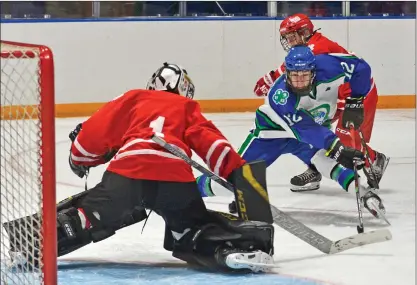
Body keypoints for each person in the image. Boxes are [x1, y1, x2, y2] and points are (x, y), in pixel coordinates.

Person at [4, 63, 274, 273]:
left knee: (91, 214)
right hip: (175, 179)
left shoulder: (135, 98)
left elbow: (94, 134)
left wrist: (80, 158)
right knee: (191, 227)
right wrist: (240, 176)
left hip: (129, 174)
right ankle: (227, 250)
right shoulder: (187, 107)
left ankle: (31, 242)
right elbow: (215, 147)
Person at [197, 46, 387, 221]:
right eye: (294, 75)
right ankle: (190, 189)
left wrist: (356, 99)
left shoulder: (329, 66)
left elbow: (361, 68)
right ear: (287, 72)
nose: (298, 82)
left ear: (314, 72)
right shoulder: (280, 96)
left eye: (304, 75)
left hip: (308, 135)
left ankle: (364, 193)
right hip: (272, 135)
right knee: (234, 176)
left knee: (326, 162)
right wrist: (337, 147)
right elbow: (305, 129)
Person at [253, 13, 389, 191]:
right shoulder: (308, 46)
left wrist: (270, 79)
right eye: (286, 38)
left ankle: (375, 159)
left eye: (292, 37)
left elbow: (295, 69)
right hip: (332, 95)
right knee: (309, 130)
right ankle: (316, 168)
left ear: (305, 32)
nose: (289, 42)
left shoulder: (317, 48)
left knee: (343, 142)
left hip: (358, 94)